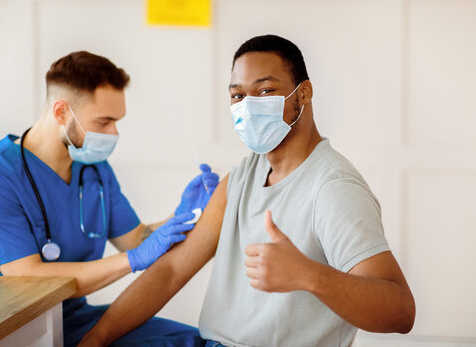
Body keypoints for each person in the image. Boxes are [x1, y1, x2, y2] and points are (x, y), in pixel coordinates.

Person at [80, 35, 416, 347]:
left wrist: (310, 275)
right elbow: (171, 272)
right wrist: (92, 342)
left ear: (303, 93)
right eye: (238, 96)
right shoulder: (242, 177)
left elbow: (401, 312)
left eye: (266, 91)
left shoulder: (333, 188)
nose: (248, 106)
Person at [0, 51, 219, 346]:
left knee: (198, 342)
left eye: (117, 122)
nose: (114, 133)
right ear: (61, 112)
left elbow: (137, 239)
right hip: (11, 327)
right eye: (104, 121)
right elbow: (28, 277)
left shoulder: (94, 168)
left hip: (72, 318)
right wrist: (133, 261)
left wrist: (187, 214)